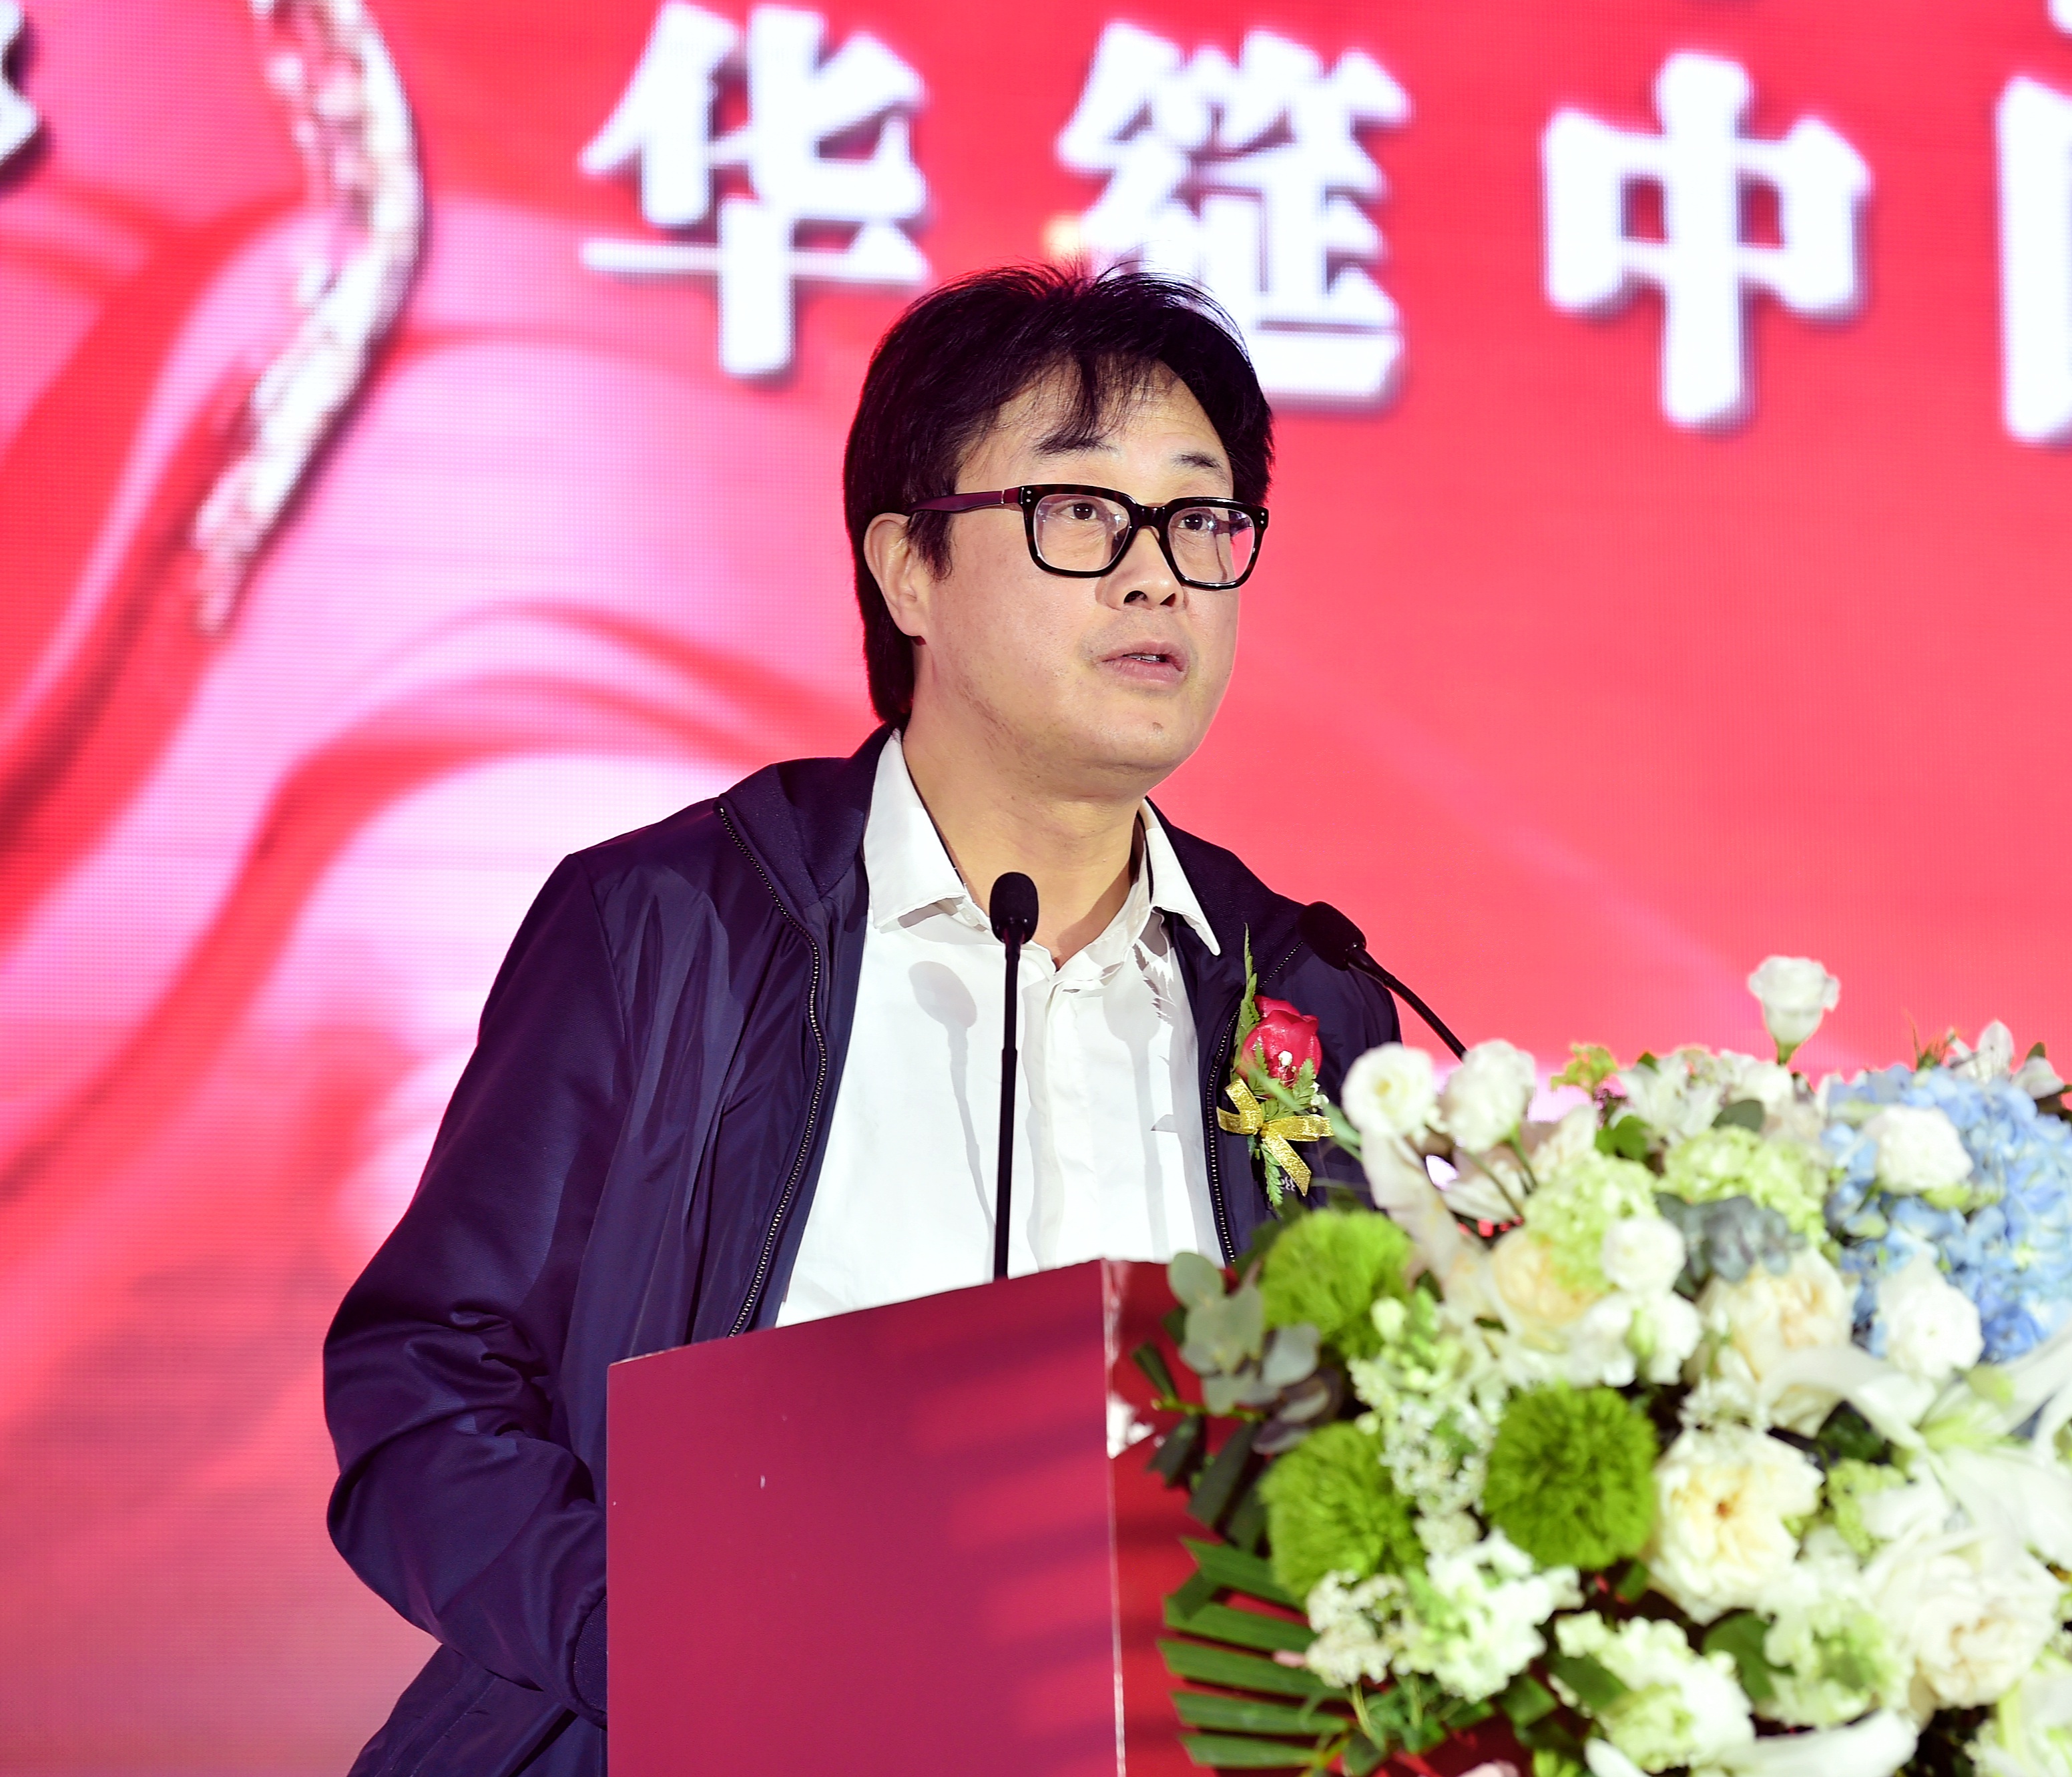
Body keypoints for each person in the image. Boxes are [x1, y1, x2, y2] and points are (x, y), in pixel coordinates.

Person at [321, 266, 1399, 1776]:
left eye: (1199, 519)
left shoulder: (1301, 986)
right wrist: (670, 1649)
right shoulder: (673, 927)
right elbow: (427, 1383)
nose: (1157, 575)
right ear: (908, 570)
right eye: (1082, 511)